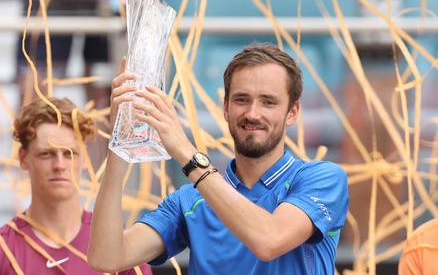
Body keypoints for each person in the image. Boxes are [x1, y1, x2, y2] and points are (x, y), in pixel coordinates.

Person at [88, 42, 350, 274]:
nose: (253, 113)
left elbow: (269, 240)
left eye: (268, 102)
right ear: (225, 108)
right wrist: (120, 138)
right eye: (242, 99)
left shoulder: (323, 178)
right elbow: (106, 257)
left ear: (292, 113)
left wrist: (186, 153)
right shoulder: (189, 201)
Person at [0, 97, 152, 275]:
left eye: (69, 154)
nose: (60, 165)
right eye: (46, 154)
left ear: (84, 159)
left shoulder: (121, 249)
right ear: (23, 159)